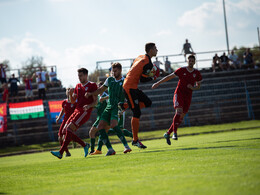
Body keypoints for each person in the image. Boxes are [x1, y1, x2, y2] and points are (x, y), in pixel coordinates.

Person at [152, 55, 202, 145]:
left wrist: (193, 88)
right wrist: (158, 83)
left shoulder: (197, 73)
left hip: (188, 96)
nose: (190, 62)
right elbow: (169, 77)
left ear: (194, 62)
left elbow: (198, 86)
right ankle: (174, 133)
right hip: (179, 94)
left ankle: (167, 133)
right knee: (178, 112)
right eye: (189, 60)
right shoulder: (181, 70)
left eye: (192, 61)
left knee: (181, 117)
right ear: (187, 61)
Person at [50, 68, 97, 159]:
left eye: (81, 75)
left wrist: (89, 106)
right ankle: (84, 145)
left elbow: (96, 101)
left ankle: (61, 152)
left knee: (68, 129)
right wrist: (71, 94)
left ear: (86, 75)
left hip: (84, 112)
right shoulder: (78, 86)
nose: (79, 78)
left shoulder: (92, 85)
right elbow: (72, 101)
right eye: (78, 76)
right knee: (64, 131)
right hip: (76, 111)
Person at [86, 63, 132, 156]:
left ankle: (126, 146)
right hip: (109, 106)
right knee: (100, 127)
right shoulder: (109, 80)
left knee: (114, 125)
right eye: (112, 71)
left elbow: (129, 93)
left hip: (117, 106)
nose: (114, 73)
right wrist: (91, 93)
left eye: (115, 71)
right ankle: (110, 149)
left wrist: (127, 103)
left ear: (120, 70)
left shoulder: (125, 81)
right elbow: (101, 90)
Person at [123, 42, 159, 149]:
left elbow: (136, 70)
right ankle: (135, 140)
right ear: (151, 50)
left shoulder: (140, 57)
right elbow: (143, 79)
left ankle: (125, 106)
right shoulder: (148, 63)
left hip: (132, 85)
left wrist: (149, 73)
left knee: (148, 102)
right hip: (129, 87)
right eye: (155, 48)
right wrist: (153, 77)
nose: (157, 50)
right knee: (136, 112)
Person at [55, 88, 76, 157]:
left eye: (70, 91)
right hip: (64, 121)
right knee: (60, 138)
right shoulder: (64, 102)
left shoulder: (75, 102)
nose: (68, 92)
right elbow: (63, 110)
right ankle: (67, 152)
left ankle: (74, 141)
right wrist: (59, 118)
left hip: (71, 121)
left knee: (65, 137)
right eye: (67, 91)